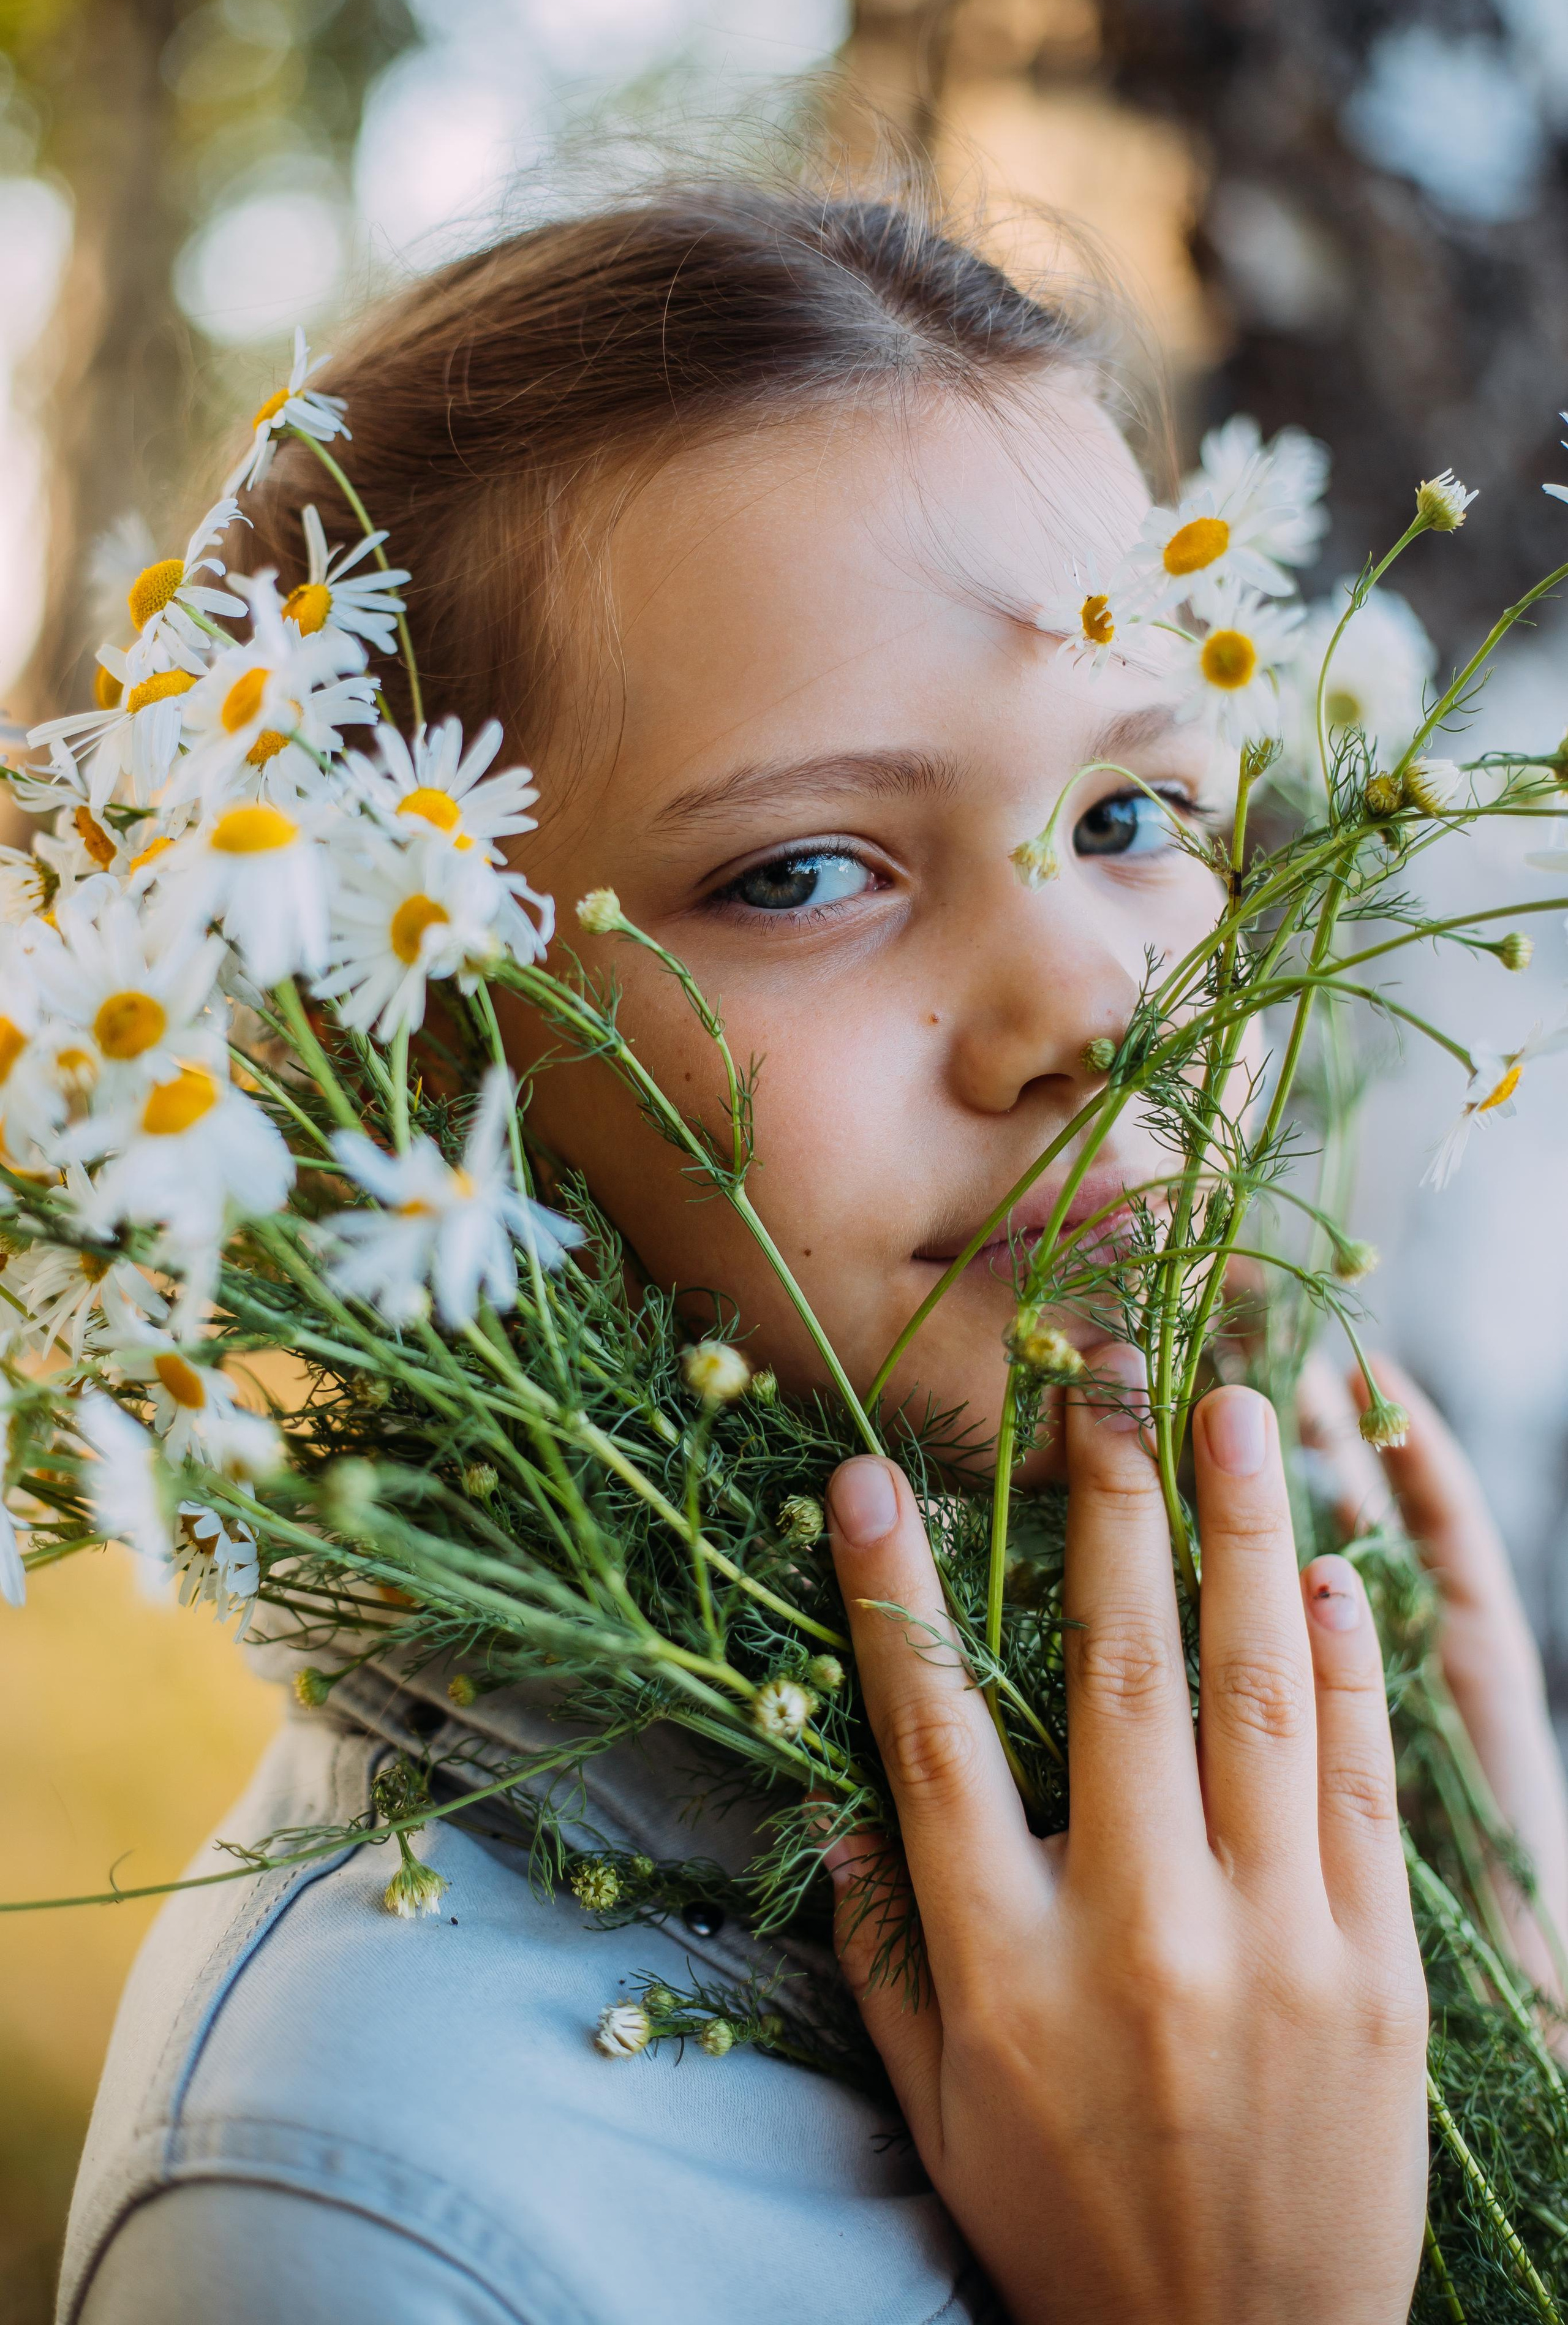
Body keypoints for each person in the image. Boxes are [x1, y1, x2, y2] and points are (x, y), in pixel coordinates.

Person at [58, 180, 1568, 2325]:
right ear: (392, 1060)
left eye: (1132, 818)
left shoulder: (1357, 1827)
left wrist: (1509, 2052)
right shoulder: (364, 2221)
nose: (1099, 1011)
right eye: (806, 871)